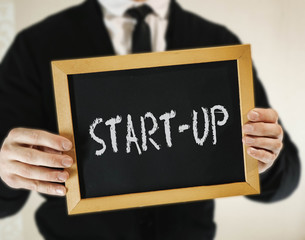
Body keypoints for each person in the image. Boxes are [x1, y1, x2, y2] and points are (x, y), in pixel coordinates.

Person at [0, 0, 300, 239]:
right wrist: (5, 170)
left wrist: (266, 159)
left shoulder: (217, 44)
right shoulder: (35, 46)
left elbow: (287, 177)